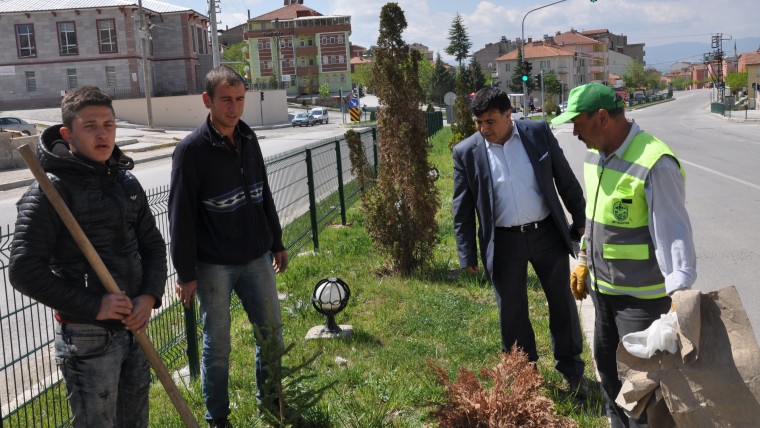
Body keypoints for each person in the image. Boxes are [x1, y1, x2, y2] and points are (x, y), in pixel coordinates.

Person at [9, 86, 167, 427]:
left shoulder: (125, 182)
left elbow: (153, 245)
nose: (102, 133)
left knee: (136, 419)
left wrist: (149, 296)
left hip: (133, 325)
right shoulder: (50, 191)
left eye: (108, 124)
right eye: (90, 125)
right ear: (68, 133)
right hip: (87, 335)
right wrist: (95, 305)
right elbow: (24, 270)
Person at [552, 82, 697, 427]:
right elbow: (594, 216)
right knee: (609, 376)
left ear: (602, 118)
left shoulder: (655, 162)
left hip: (641, 302)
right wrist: (585, 259)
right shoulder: (595, 156)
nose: (573, 132)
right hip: (604, 293)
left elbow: (674, 237)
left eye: (578, 122)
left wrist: (679, 296)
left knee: (643, 391)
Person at [168, 66, 288, 428]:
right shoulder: (191, 151)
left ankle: (270, 403)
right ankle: (218, 417)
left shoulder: (249, 139)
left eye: (239, 99)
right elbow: (180, 215)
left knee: (271, 333)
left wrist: (277, 241)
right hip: (213, 265)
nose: (234, 108)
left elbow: (262, 194)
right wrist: (186, 272)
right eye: (225, 100)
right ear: (207, 101)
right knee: (217, 346)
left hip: (256, 258)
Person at [452, 87, 587, 393]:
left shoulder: (537, 133)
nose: (484, 129)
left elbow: (564, 177)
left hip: (547, 234)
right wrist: (467, 255)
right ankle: (524, 375)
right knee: (512, 312)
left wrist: (579, 219)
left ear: (508, 114)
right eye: (479, 123)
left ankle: (572, 368)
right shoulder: (467, 152)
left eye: (490, 121)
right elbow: (461, 208)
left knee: (562, 303)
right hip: (504, 242)